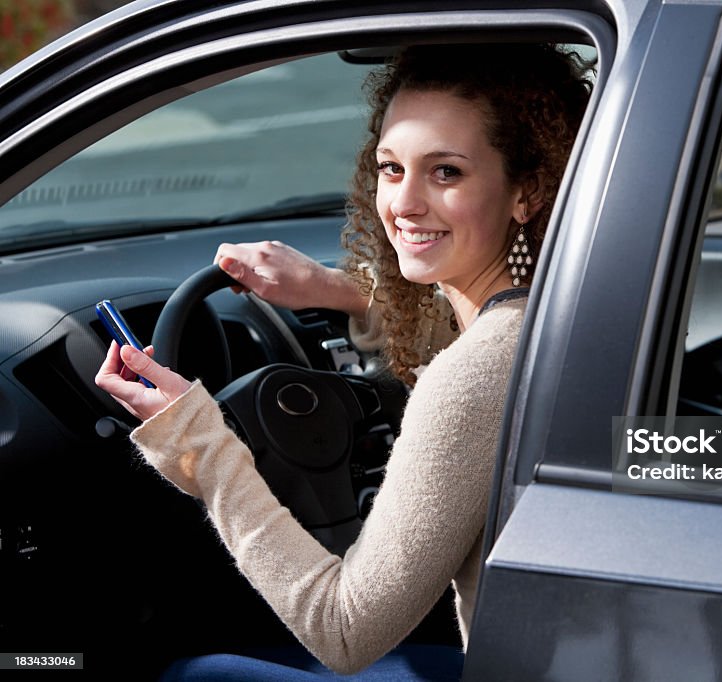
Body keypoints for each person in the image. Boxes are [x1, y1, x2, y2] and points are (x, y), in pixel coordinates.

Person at [95, 43, 592, 680]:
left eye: (446, 173)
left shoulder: (475, 376)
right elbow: (463, 328)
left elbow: (345, 631)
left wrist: (201, 447)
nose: (404, 204)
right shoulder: (569, 310)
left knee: (190, 674)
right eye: (391, 168)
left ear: (528, 191)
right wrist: (337, 289)